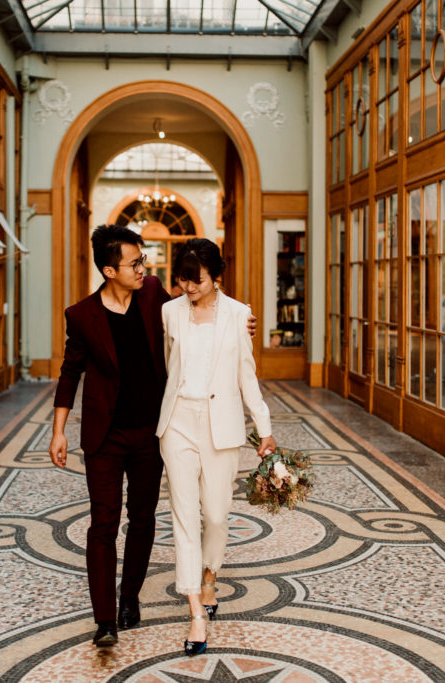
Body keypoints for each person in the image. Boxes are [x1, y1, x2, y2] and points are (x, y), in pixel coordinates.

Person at [49, 225, 169, 648]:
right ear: (108, 269)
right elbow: (70, 372)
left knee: (143, 520)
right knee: (103, 524)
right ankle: (104, 621)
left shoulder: (154, 293)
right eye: (134, 263)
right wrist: (59, 430)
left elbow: (191, 321)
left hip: (151, 435)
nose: (143, 268)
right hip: (105, 436)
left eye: (143, 260)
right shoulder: (82, 315)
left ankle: (129, 597)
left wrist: (235, 324)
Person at [156, 238, 276, 656]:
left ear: (215, 276)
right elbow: (167, 366)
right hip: (178, 424)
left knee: (217, 514)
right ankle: (195, 614)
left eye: (197, 280)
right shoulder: (169, 312)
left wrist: (264, 429)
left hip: (221, 425)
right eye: (183, 280)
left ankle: (210, 576)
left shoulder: (240, 315)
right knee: (185, 515)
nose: (189, 287)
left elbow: (247, 375)